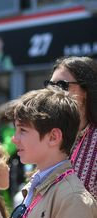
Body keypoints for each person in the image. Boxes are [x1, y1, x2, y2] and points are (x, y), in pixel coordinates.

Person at [1, 87, 97, 218]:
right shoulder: (38, 187)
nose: (15, 139)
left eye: (23, 130)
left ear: (54, 137)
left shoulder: (73, 199)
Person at [44, 56, 97, 199]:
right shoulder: (47, 135)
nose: (53, 92)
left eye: (62, 85)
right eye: (50, 85)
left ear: (86, 91)